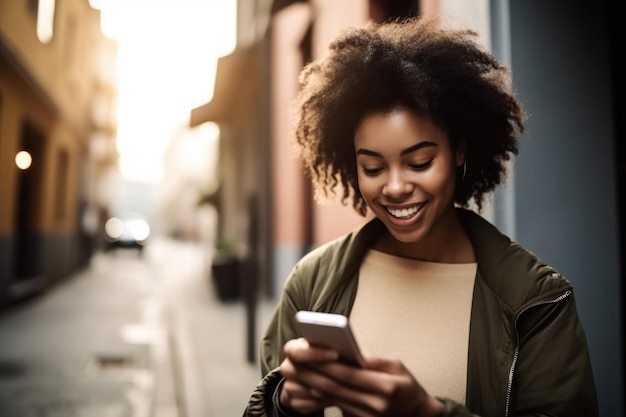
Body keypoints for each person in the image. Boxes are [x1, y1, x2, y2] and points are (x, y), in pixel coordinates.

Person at [243, 16, 598, 417]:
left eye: (419, 162)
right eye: (373, 168)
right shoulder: (311, 283)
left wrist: (427, 413)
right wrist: (284, 403)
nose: (394, 187)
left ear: (459, 151)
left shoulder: (535, 303)